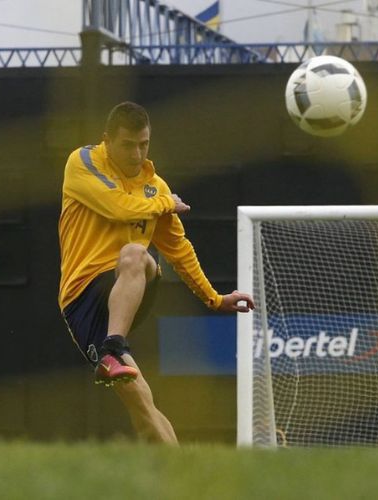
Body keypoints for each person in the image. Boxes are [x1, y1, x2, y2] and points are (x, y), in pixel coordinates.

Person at [58, 101, 254, 444]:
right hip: (82, 297)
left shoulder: (156, 188)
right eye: (127, 145)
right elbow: (118, 207)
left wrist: (214, 298)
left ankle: (113, 348)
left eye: (143, 144)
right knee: (143, 405)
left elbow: (179, 249)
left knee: (136, 254)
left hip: (130, 285)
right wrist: (166, 204)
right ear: (107, 139)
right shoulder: (83, 162)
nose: (136, 154)